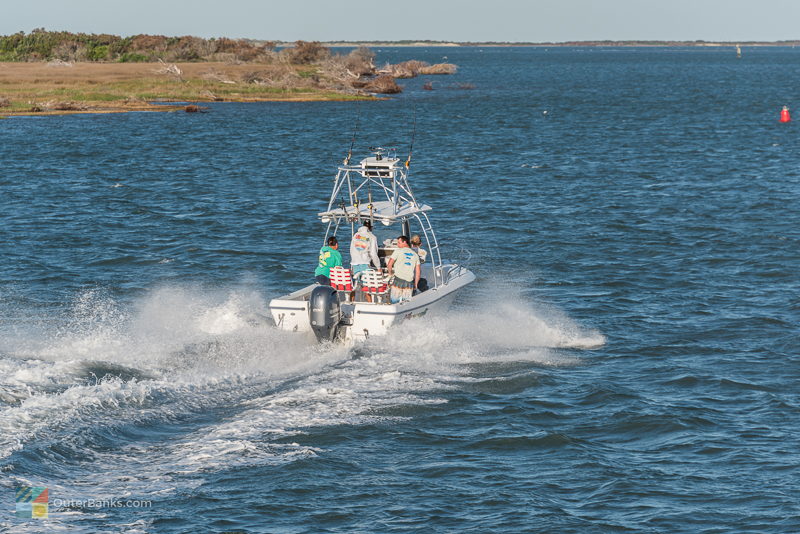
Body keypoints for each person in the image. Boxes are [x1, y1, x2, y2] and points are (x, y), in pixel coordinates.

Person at [386, 235, 420, 303]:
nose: (397, 245)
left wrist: (390, 274)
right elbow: (418, 272)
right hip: (409, 282)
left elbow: (389, 264)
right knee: (407, 303)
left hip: (398, 280)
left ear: (404, 242)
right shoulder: (415, 255)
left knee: (394, 301)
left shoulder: (398, 251)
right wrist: (416, 284)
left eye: (399, 242)